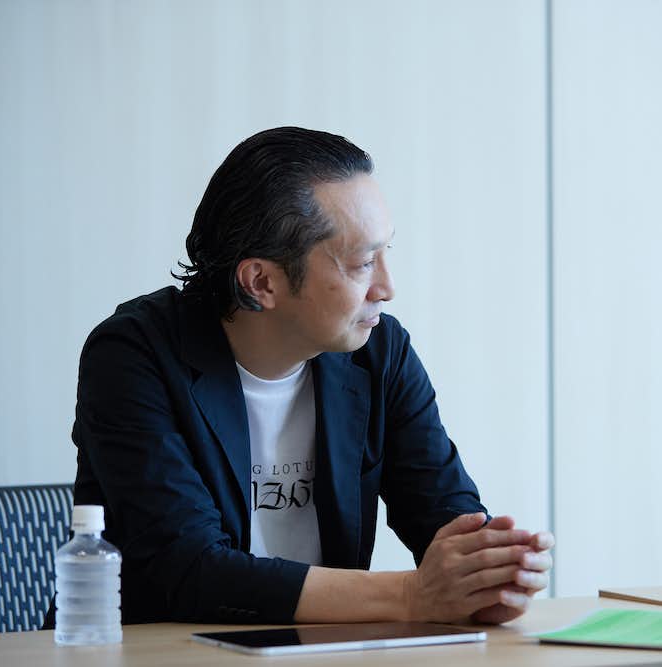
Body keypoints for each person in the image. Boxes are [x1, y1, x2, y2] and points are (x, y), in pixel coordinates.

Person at [50, 127, 553, 628]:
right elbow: (187, 567)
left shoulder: (380, 351)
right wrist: (409, 594)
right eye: (363, 263)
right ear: (261, 281)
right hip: (158, 650)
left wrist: (488, 574)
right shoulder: (133, 355)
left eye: (386, 253)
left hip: (321, 648)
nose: (387, 287)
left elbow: (445, 517)